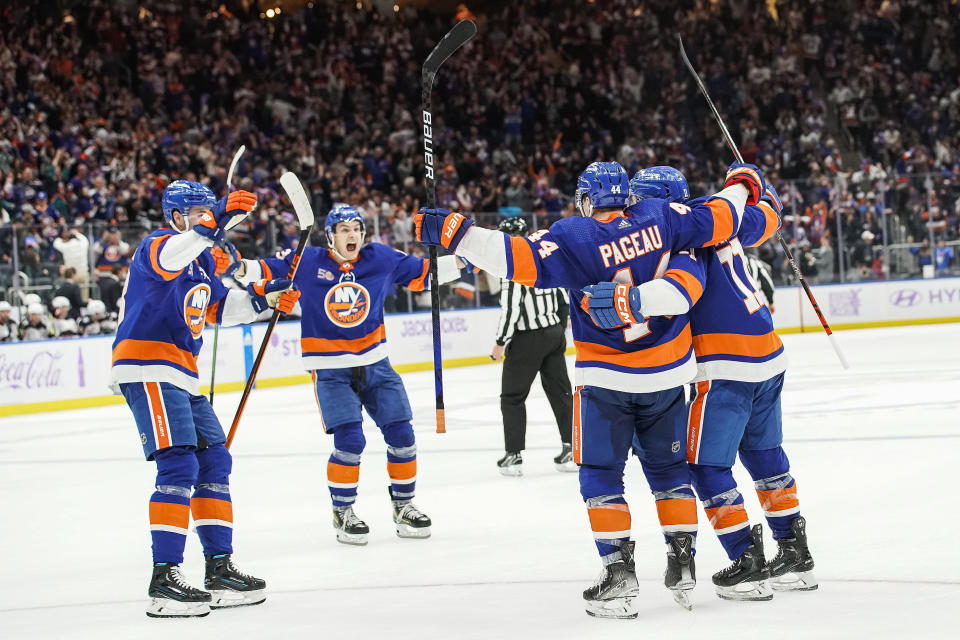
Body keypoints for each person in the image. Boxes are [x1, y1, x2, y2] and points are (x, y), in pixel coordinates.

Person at [415, 160, 768, 618]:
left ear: (586, 198)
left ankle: (618, 575)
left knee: (601, 475)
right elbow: (722, 217)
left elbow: (515, 259)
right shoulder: (665, 218)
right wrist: (742, 185)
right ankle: (683, 561)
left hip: (604, 379)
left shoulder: (571, 234)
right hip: (667, 376)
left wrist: (456, 232)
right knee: (668, 473)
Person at [112, 180, 298, 618]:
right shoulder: (157, 245)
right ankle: (165, 578)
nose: (201, 218)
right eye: (194, 212)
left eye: (205, 211)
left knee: (214, 460)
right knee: (178, 464)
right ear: (175, 217)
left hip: (183, 374)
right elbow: (171, 256)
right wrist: (215, 222)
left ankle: (219, 568)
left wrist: (267, 299)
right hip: (148, 366)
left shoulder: (200, 266)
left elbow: (218, 309)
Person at [228, 205, 465, 546]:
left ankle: (403, 505)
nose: (352, 234)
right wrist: (236, 266)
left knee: (402, 435)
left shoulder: (380, 257)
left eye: (357, 228)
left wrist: (463, 258)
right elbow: (263, 269)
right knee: (351, 441)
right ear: (330, 236)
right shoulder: (307, 261)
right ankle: (343, 511)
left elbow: (425, 273)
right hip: (329, 368)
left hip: (376, 363)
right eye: (344, 229)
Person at [631, 169, 817, 600]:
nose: (633, 212)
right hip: (768, 353)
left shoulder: (677, 237)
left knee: (705, 465)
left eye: (639, 202)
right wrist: (755, 185)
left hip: (724, 364)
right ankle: (794, 553)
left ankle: (746, 561)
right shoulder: (725, 219)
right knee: (765, 455)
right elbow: (770, 215)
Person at [491, 216, 575, 476]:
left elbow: (511, 309)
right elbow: (563, 295)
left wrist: (500, 342)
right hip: (553, 335)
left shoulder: (511, 266)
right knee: (561, 393)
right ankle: (572, 448)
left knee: (512, 398)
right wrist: (557, 328)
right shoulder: (544, 258)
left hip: (527, 340)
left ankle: (513, 456)